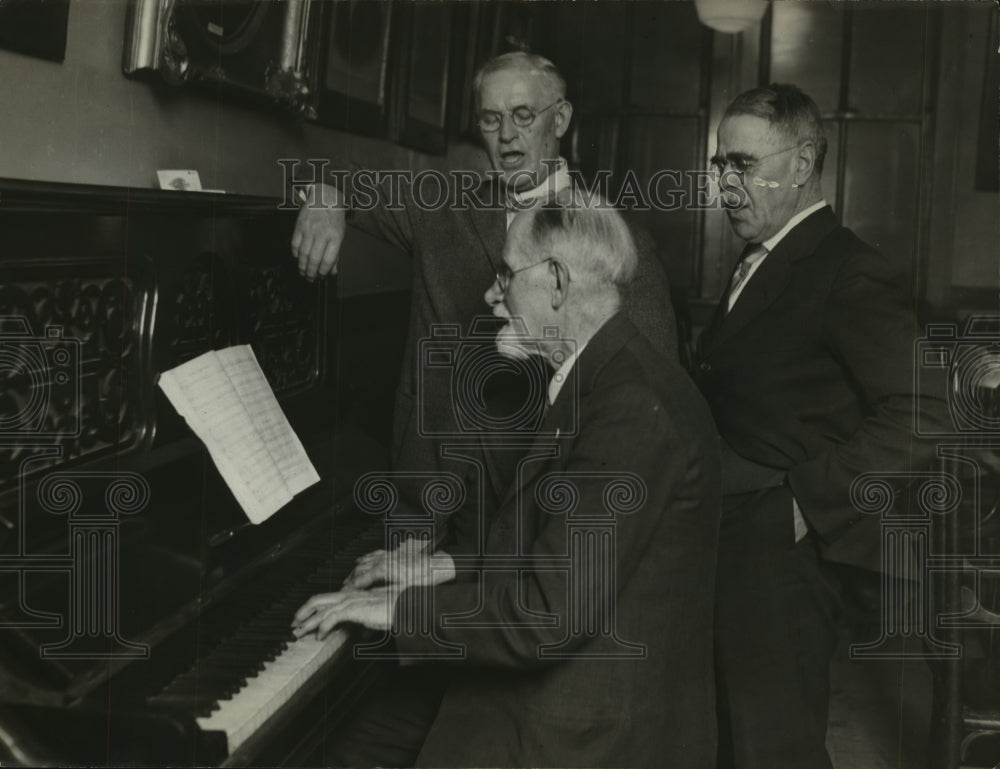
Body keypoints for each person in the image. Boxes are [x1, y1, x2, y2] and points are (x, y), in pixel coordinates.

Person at [293, 197, 721, 768]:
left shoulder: (628, 410)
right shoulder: (606, 374)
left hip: (587, 728)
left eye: (505, 275)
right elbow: (558, 555)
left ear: (558, 283)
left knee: (350, 747)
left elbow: (546, 614)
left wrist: (396, 611)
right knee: (353, 741)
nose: (492, 295)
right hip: (577, 680)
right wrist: (441, 567)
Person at [693, 83, 947, 769]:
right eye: (720, 165)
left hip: (783, 549)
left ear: (802, 164)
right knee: (733, 736)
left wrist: (811, 500)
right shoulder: (761, 258)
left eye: (743, 164)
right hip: (733, 535)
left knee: (772, 745)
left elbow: (927, 409)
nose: (726, 183)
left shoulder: (846, 268)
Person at [290, 51, 677, 493]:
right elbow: (314, 165)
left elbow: (655, 393)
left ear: (561, 118)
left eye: (523, 115)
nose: (507, 136)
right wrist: (325, 193)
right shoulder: (442, 209)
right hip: (431, 485)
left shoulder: (621, 244)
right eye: (491, 120)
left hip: (541, 497)